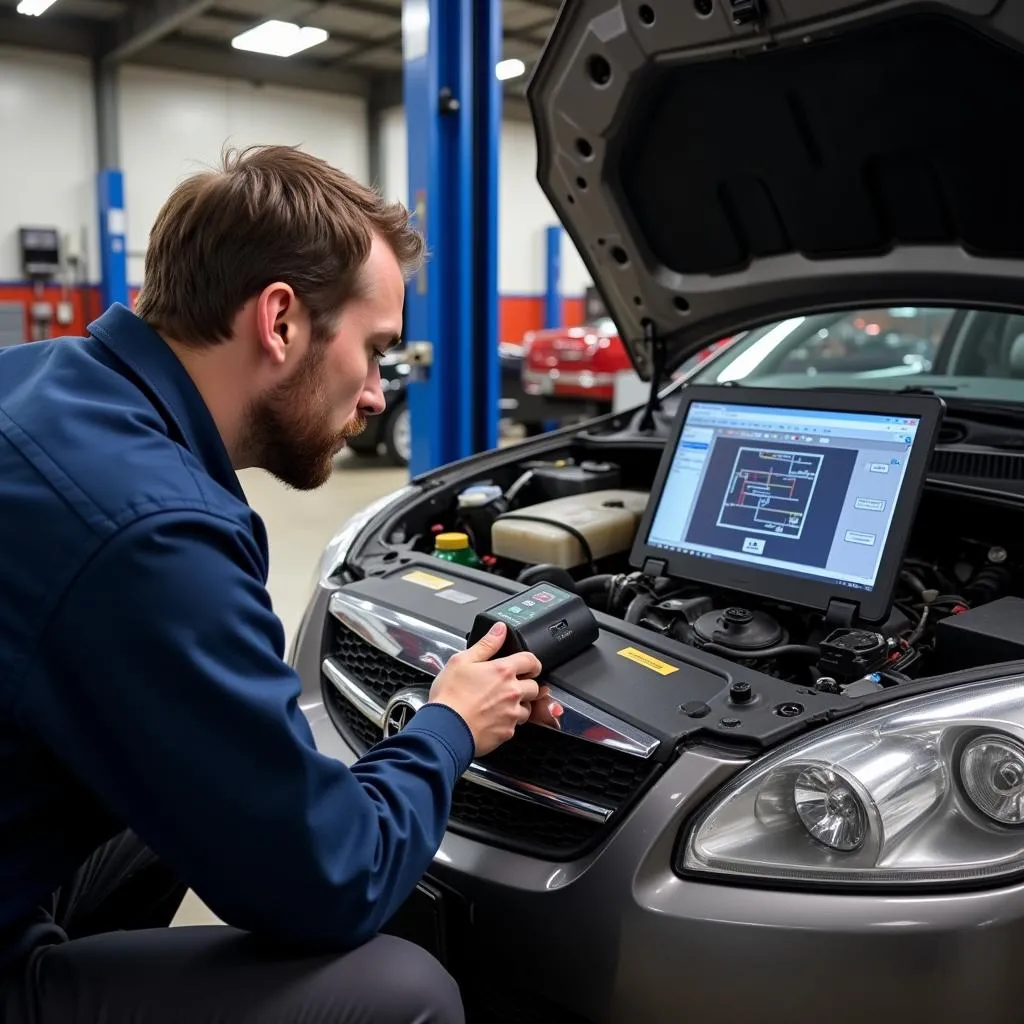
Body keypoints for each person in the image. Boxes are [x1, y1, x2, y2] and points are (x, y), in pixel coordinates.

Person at [0, 145, 559, 1023]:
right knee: (402, 995)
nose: (377, 395)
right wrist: (450, 726)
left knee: (190, 792)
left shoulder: (40, 380)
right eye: (374, 351)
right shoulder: (151, 533)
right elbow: (333, 880)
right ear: (280, 321)